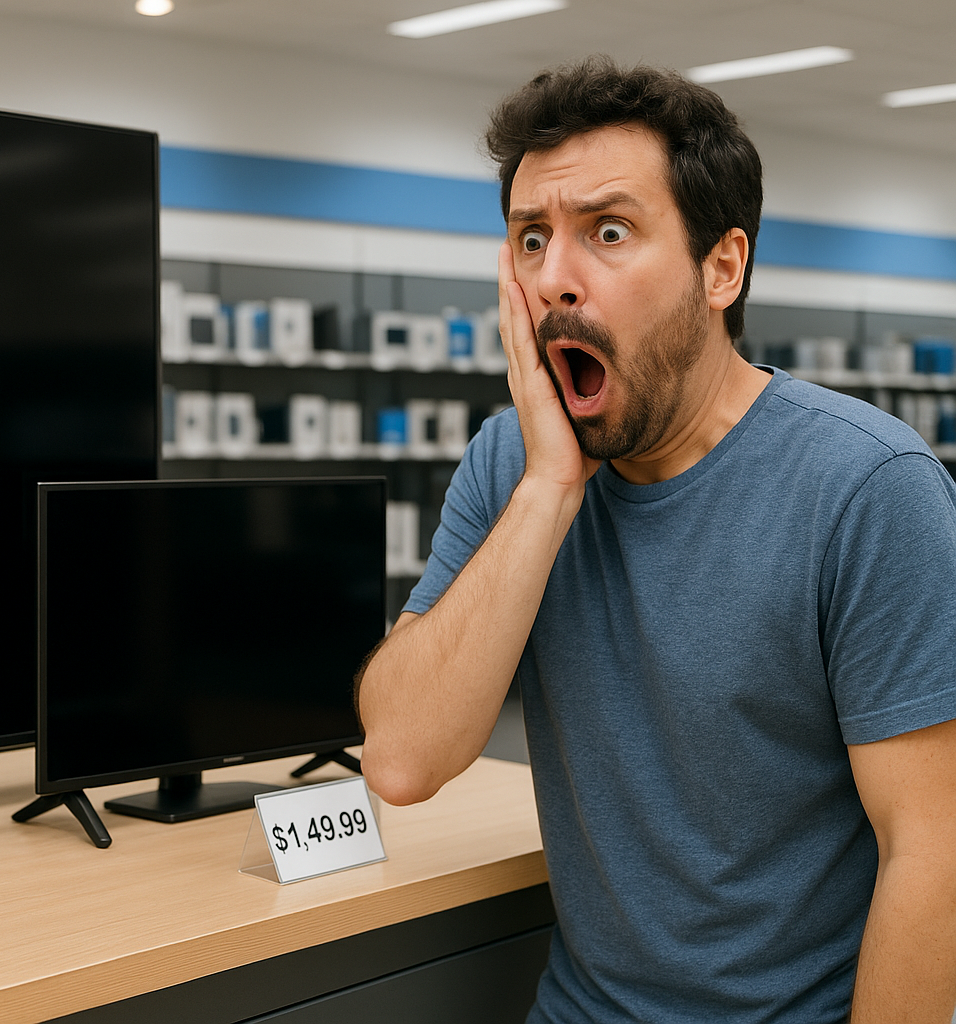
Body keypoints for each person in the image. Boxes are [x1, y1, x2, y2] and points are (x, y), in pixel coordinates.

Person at [356, 56, 956, 1023]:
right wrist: (551, 488)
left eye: (608, 231)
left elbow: (936, 852)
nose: (555, 279)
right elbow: (401, 760)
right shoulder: (514, 464)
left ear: (723, 267)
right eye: (531, 239)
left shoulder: (866, 487)